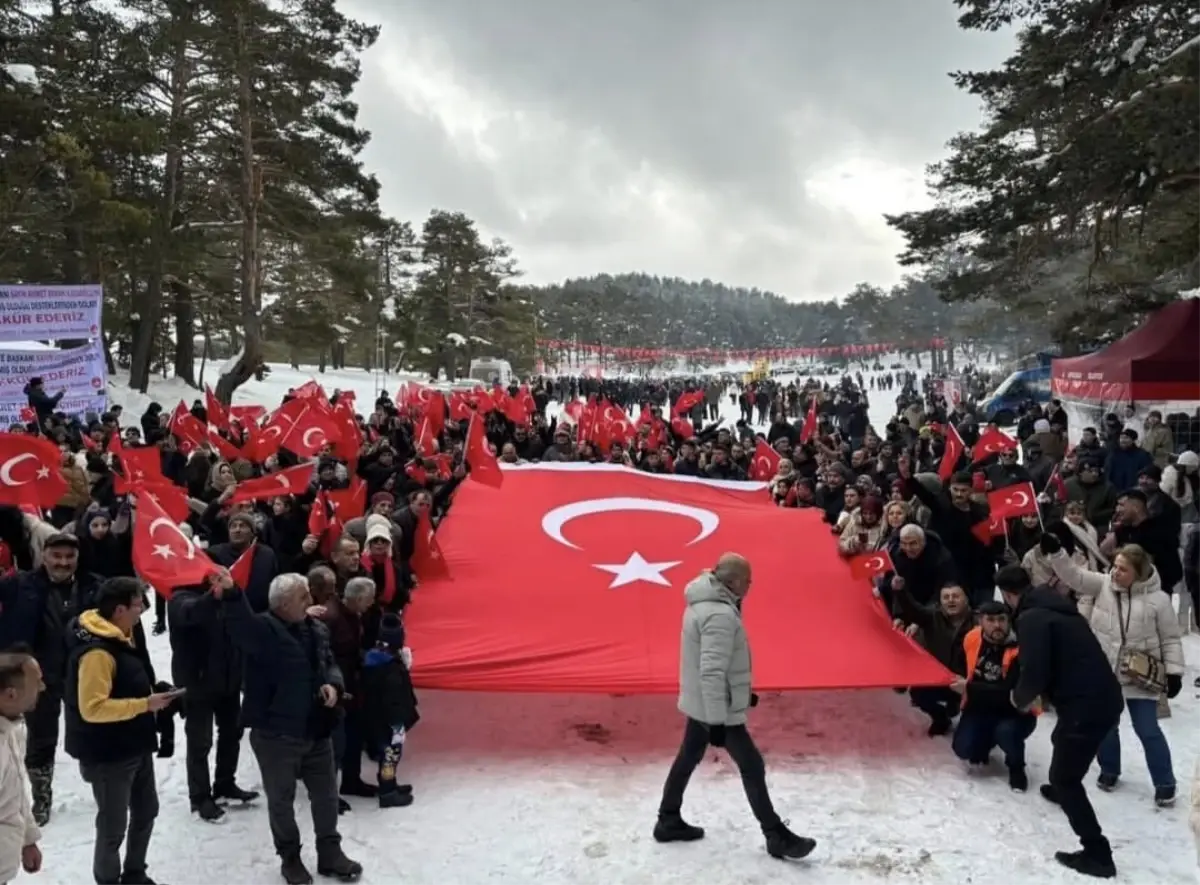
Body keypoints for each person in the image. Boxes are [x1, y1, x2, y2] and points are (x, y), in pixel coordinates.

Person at [654, 553, 815, 861]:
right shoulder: (720, 616)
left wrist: (740, 696)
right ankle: (775, 835)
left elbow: (715, 666)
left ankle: (668, 819)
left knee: (688, 756)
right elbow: (712, 671)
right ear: (735, 582)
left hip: (702, 701)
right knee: (751, 764)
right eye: (748, 580)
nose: (751, 586)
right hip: (715, 708)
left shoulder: (702, 602)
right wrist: (717, 720)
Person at [220, 572, 362, 885]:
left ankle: (330, 853)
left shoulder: (317, 629)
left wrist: (334, 686)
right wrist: (232, 593)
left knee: (325, 796)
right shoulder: (261, 631)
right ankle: (290, 857)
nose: (311, 602)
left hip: (317, 729)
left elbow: (330, 663)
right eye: (303, 598)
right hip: (275, 736)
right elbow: (239, 623)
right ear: (283, 604)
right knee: (281, 800)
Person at [995, 563, 1124, 879]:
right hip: (1100, 698)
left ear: (1009, 594)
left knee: (1067, 778)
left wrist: (1018, 698)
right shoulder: (1054, 605)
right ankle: (1060, 788)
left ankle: (1097, 853)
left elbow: (1035, 671)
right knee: (1061, 741)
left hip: (1086, 706)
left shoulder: (1032, 618)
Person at [63, 577, 178, 885]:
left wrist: (154, 692)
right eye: (139, 604)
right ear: (119, 610)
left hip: (135, 742)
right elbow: (93, 708)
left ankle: (135, 874)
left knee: (146, 810)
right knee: (114, 826)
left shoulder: (123, 634)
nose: (144, 609)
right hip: (108, 754)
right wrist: (145, 704)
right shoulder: (97, 653)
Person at [168, 570, 260, 822]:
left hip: (229, 679)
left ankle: (225, 784)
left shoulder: (228, 595)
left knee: (232, 733)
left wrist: (233, 593)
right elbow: (190, 613)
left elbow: (246, 620)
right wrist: (212, 596)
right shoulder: (179, 597)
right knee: (200, 741)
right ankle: (199, 797)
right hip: (197, 682)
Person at [949, 600, 1038, 791]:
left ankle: (1016, 767)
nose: (997, 625)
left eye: (1001, 619)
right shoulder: (971, 638)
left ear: (1009, 621)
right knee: (963, 749)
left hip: (1016, 712)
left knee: (1006, 733)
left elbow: (1009, 693)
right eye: (990, 620)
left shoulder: (1022, 648)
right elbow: (958, 667)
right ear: (980, 621)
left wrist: (970, 688)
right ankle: (986, 741)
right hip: (980, 707)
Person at [0, 647, 44, 884]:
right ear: (10, 694)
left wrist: (28, 838)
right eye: (36, 682)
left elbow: (15, 792)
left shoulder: (12, 729)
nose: (43, 687)